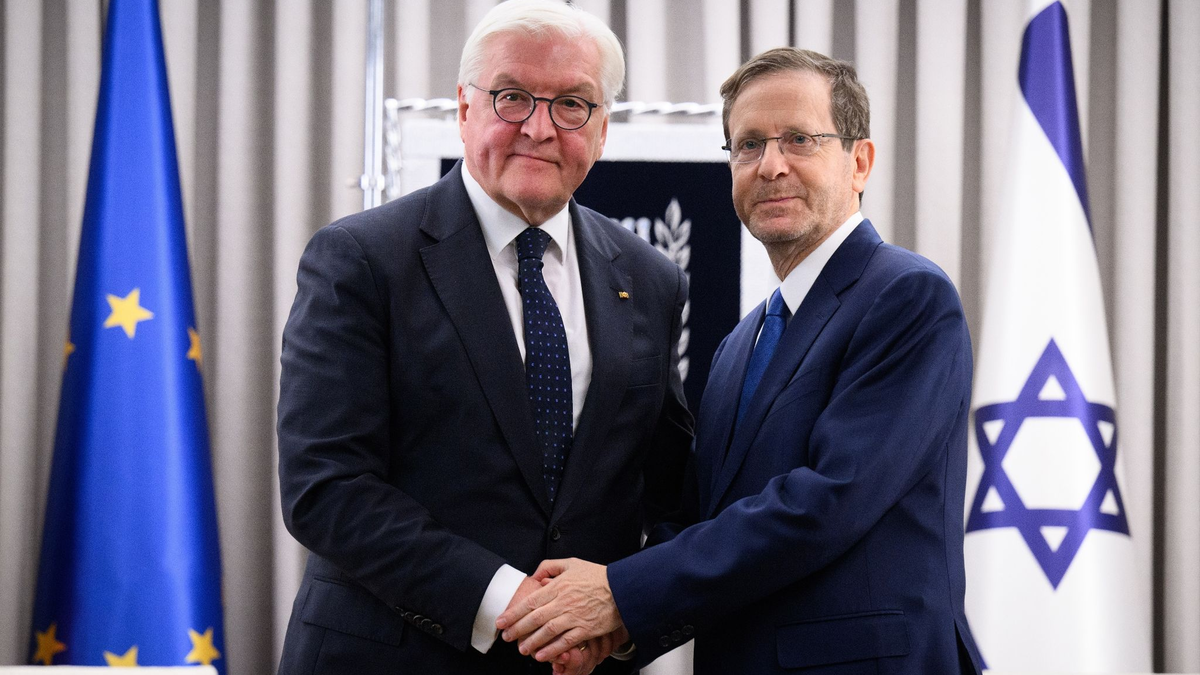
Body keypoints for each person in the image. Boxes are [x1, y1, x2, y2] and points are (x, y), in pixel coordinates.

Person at [497, 47, 985, 675]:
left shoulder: (907, 296)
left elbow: (827, 503)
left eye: (799, 140)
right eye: (749, 145)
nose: (771, 166)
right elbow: (705, 518)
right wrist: (615, 628)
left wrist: (618, 594)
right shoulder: (741, 342)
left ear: (860, 162)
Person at [274, 1, 692, 673]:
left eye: (572, 104)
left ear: (602, 128)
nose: (540, 128)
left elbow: (671, 489)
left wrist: (622, 610)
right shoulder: (361, 258)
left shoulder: (650, 278)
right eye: (512, 96)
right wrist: (512, 602)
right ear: (464, 109)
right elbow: (325, 486)